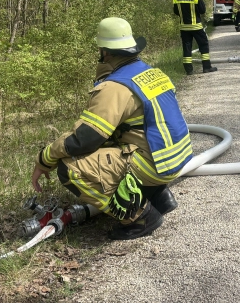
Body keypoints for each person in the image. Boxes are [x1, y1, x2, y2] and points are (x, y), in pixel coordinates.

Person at [31, 17, 190, 240]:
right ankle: (159, 196)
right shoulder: (152, 73)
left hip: (154, 165)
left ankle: (140, 216)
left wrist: (45, 158)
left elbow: (84, 139)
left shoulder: (115, 87)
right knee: (116, 140)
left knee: (70, 168)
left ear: (104, 51)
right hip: (174, 158)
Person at [173, 0, 217, 75]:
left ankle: (189, 70)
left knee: (187, 47)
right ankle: (206, 67)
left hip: (184, 27)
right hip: (196, 27)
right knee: (203, 45)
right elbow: (202, 10)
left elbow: (176, 11)